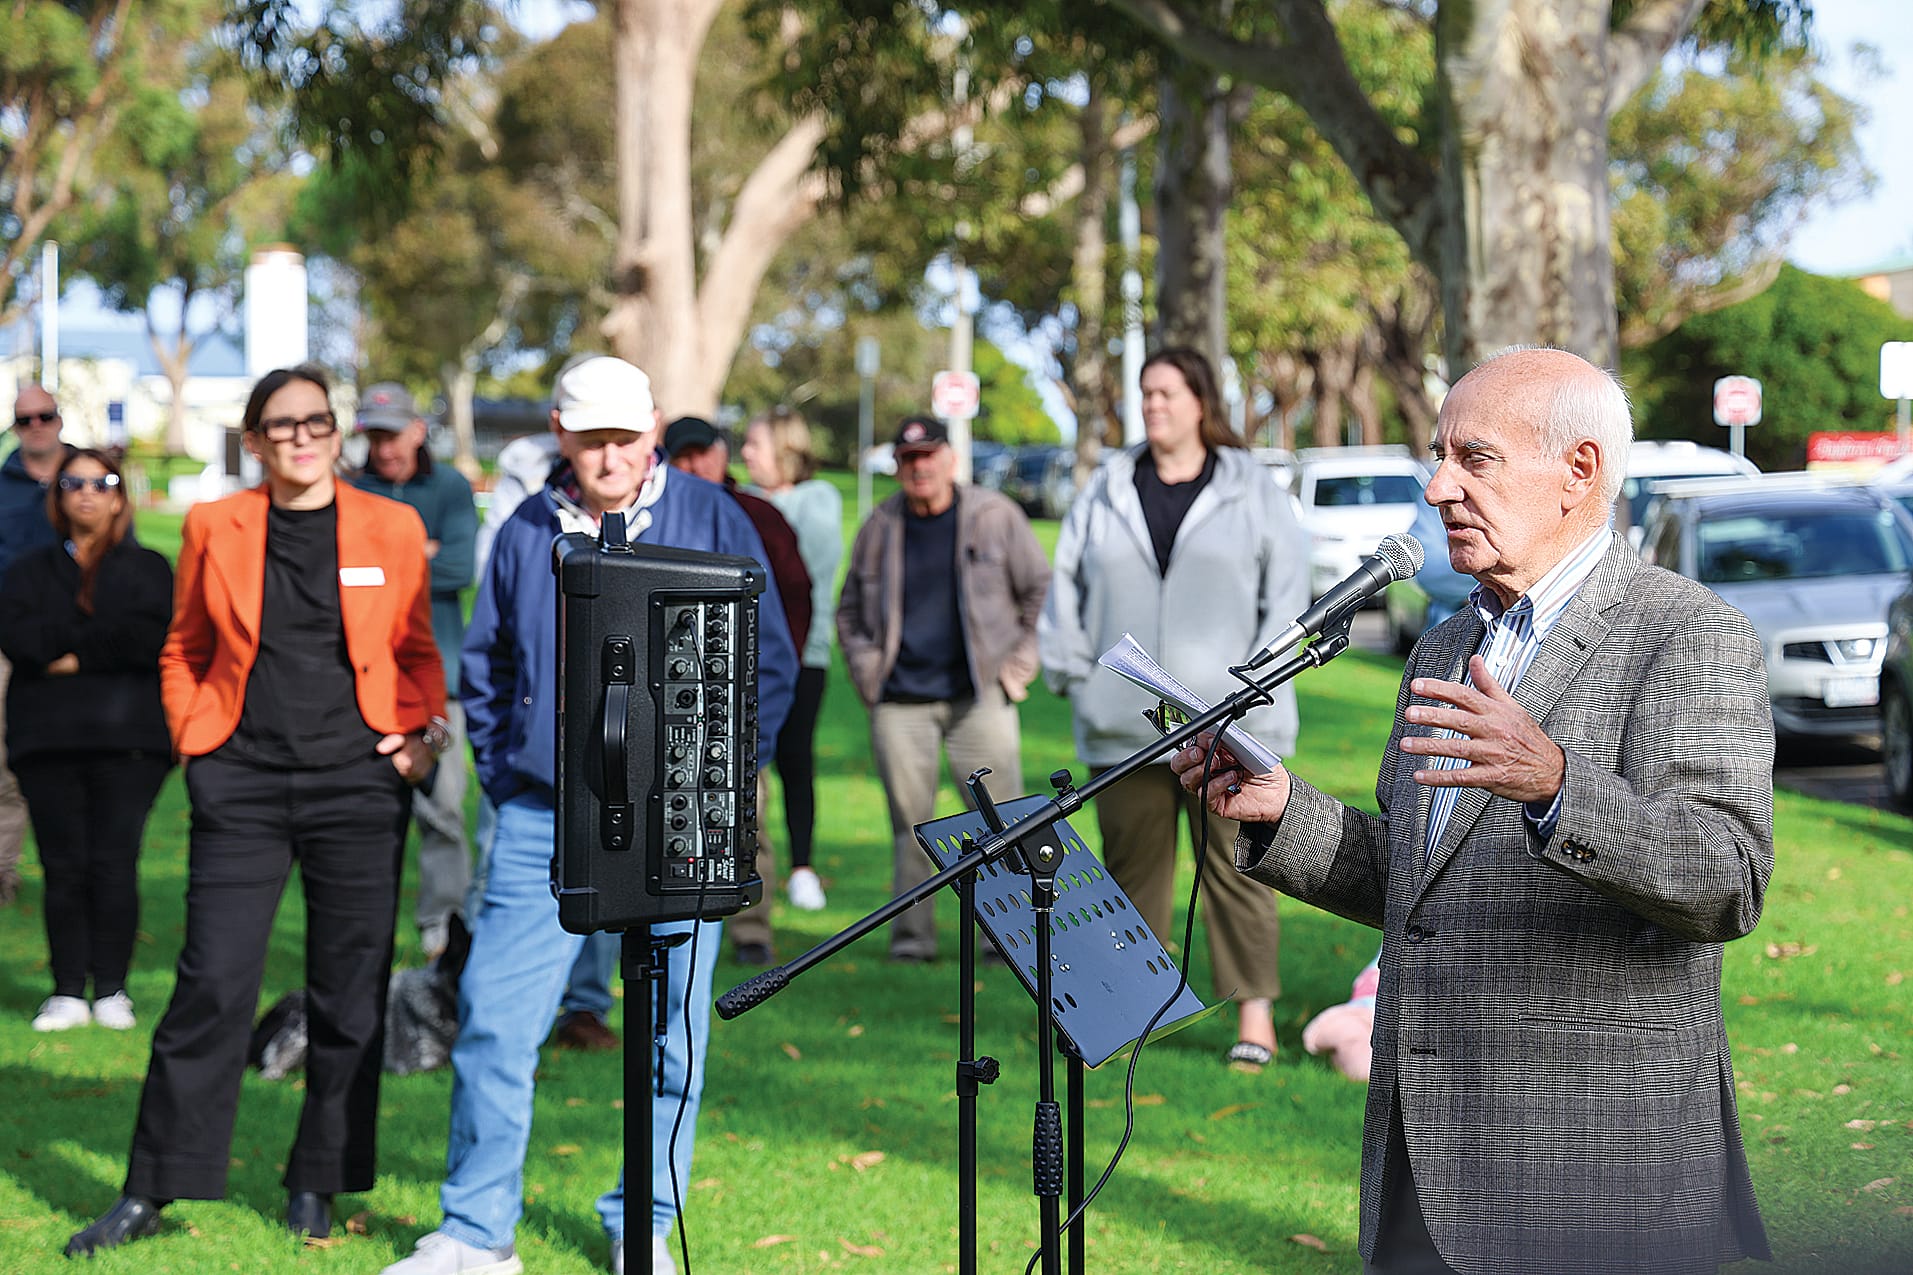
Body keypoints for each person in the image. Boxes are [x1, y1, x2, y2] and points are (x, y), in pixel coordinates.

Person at [1170, 347, 1773, 1274]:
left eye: (1473, 458)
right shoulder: (1448, 643)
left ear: (1579, 471)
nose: (1436, 484)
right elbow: (1420, 883)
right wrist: (1283, 810)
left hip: (1594, 1171)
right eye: (1437, 454)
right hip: (1423, 1157)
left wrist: (1558, 783)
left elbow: (1724, 878)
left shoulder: (1685, 632)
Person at [383, 355, 795, 1275]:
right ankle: (477, 1230)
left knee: (673, 1032)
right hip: (542, 816)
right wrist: (508, 771)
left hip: (684, 809)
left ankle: (643, 1221)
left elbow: (769, 663)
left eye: (624, 434)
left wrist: (718, 776)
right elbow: (487, 664)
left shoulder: (711, 514)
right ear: (558, 431)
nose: (609, 454)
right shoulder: (529, 524)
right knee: (495, 1016)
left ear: (654, 425)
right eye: (590, 436)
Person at [66, 365, 448, 1255]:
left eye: (317, 420)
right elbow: (185, 643)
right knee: (211, 982)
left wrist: (421, 737)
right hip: (240, 778)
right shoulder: (215, 524)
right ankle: (152, 1185)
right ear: (254, 439)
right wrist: (195, 737)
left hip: (358, 780)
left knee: (348, 989)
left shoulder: (392, 525)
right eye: (282, 424)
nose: (302, 436)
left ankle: (317, 1179)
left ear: (336, 430)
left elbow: (418, 649)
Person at [1038, 346, 1305, 1070]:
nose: (1153, 404)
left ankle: (1254, 1016)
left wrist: (1256, 686)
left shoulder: (1249, 487)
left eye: (1167, 393)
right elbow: (1067, 579)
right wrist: (1066, 668)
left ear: (1199, 402)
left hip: (1229, 721)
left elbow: (1283, 594)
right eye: (1145, 393)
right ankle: (1133, 1013)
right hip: (1123, 721)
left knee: (1237, 866)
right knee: (1131, 873)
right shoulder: (1109, 484)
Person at [837, 415, 1050, 963]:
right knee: (911, 827)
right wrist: (867, 672)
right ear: (898, 467)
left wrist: (1017, 667)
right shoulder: (880, 524)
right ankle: (912, 943)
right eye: (908, 460)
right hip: (901, 701)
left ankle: (1006, 939)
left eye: (928, 455)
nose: (919, 467)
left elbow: (1041, 591)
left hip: (979, 697)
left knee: (1001, 823)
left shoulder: (993, 515)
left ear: (951, 459)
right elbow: (849, 611)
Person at [0, 449, 172, 1032]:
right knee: (63, 865)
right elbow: (22, 637)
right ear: (58, 496)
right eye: (74, 483)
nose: (88, 493)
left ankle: (113, 989)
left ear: (120, 496)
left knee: (114, 864)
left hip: (129, 745)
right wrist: (98, 645)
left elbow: (146, 633)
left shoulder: (148, 568)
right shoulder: (25, 571)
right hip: (48, 743)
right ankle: (68, 989)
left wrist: (73, 652)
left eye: (104, 482)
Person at [663, 415, 811, 966]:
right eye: (683, 456)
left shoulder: (757, 517)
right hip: (675, 690)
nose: (695, 466)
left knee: (748, 815)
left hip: (743, 691)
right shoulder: (659, 515)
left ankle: (751, 928)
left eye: (704, 453)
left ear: (721, 455)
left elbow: (794, 600)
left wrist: (767, 687)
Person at [349, 382, 480, 960]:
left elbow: (457, 567)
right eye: (374, 437)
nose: (384, 449)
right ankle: (357, 928)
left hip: (441, 680)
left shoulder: (449, 486)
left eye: (393, 435)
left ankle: (442, 926)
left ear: (418, 430)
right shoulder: (350, 489)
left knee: (444, 807)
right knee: (361, 811)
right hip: (363, 678)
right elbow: (339, 572)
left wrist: (386, 561)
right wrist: (415, 552)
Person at [740, 405, 842, 913]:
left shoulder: (817, 499)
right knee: (746, 767)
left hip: (805, 654)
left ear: (782, 449)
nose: (744, 454)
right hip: (748, 654)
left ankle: (803, 866)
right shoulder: (744, 502)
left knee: (795, 758)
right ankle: (751, 873)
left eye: (754, 444)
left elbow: (806, 561)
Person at [0, 383, 74, 904]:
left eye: (44, 415)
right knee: (4, 763)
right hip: (8, 641)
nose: (36, 426)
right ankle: (3, 873)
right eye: (24, 419)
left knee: (73, 762)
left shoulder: (88, 479)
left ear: (59, 418)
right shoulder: (1, 484)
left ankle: (77, 875)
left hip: (78, 643)